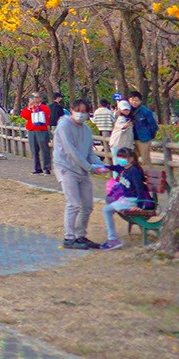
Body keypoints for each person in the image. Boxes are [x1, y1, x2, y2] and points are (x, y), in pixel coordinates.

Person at [54, 99, 105, 250]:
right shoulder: (64, 126)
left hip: (82, 170)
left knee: (87, 205)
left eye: (85, 112)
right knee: (73, 203)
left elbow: (89, 153)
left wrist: (104, 165)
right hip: (66, 167)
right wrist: (90, 167)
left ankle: (80, 235)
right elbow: (71, 151)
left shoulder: (86, 130)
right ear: (71, 110)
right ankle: (69, 237)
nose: (81, 114)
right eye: (79, 111)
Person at [100, 147, 153, 248]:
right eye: (119, 157)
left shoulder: (134, 171)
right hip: (126, 199)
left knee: (107, 210)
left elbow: (140, 189)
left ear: (131, 158)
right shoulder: (125, 168)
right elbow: (117, 167)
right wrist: (108, 167)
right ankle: (112, 239)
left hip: (132, 201)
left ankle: (112, 239)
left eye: (123, 157)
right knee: (107, 209)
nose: (121, 159)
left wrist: (139, 206)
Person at [21, 93, 53, 175]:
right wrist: (30, 108)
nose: (33, 99)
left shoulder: (44, 107)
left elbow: (45, 117)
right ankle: (37, 167)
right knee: (34, 150)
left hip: (42, 130)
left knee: (44, 149)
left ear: (40, 98)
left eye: (35, 97)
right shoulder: (29, 108)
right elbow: (24, 116)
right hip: (32, 131)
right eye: (31, 97)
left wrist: (37, 108)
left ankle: (47, 167)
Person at [126, 91, 159, 169]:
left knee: (145, 160)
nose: (134, 102)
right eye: (132, 100)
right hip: (131, 138)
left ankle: (150, 177)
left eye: (136, 100)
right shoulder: (127, 110)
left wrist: (150, 136)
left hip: (143, 139)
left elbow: (153, 125)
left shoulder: (146, 111)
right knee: (132, 160)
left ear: (140, 101)